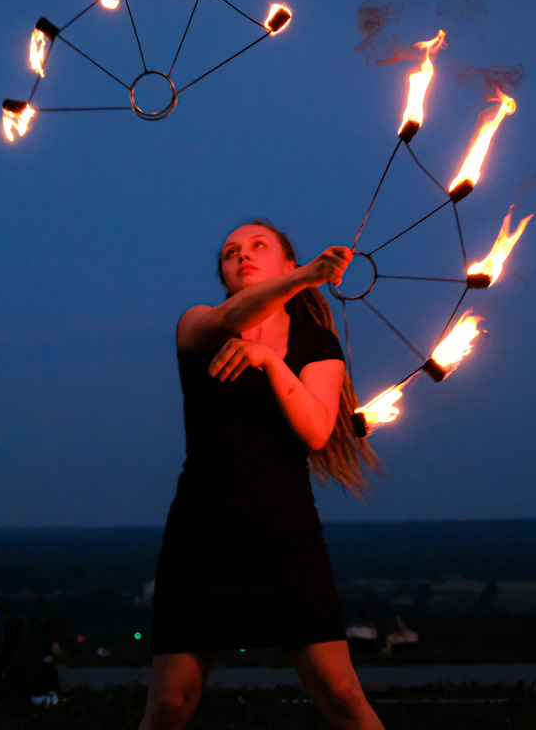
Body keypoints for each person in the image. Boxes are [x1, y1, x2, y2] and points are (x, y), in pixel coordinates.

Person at [141, 220, 386, 730]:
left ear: (286, 265)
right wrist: (309, 276)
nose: (242, 256)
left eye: (258, 246)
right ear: (225, 276)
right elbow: (234, 316)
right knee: (170, 703)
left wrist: (270, 362)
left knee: (342, 695)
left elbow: (316, 430)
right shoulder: (199, 324)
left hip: (286, 536)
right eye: (230, 253)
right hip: (200, 536)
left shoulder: (316, 342)